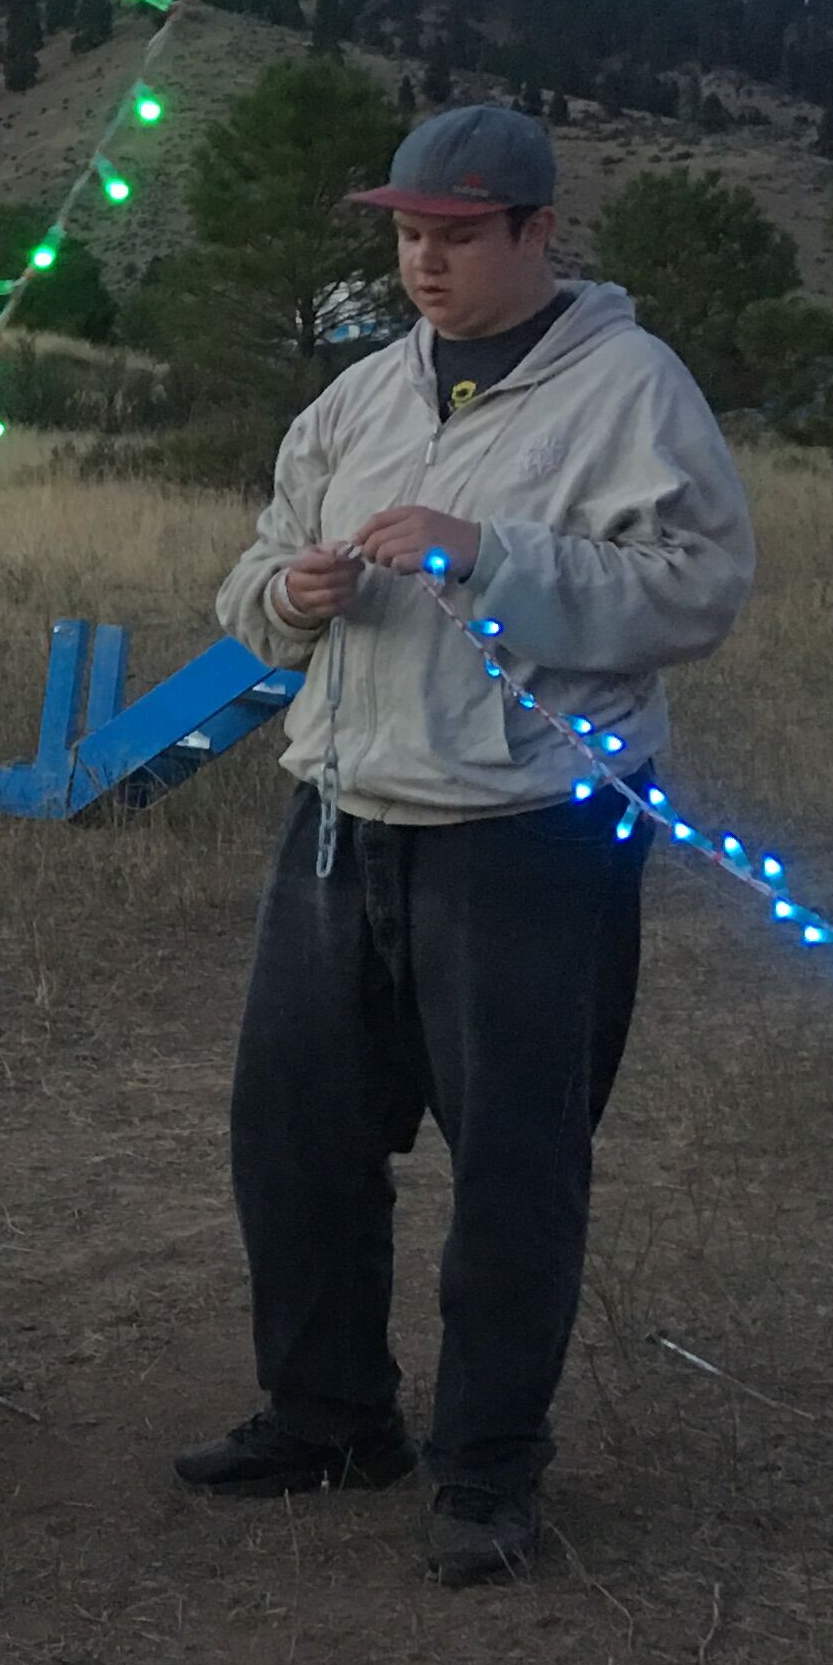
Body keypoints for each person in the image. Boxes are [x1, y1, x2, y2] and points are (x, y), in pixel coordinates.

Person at [183, 102, 753, 1586]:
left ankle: (488, 1470)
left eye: (456, 235)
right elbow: (252, 577)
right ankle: (328, 1418)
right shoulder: (360, 397)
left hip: (527, 838)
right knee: (294, 1139)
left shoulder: (629, 388)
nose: (424, 263)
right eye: (407, 236)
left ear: (538, 232)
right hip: (339, 816)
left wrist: (488, 555)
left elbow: (695, 588)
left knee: (515, 1162)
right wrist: (288, 599)